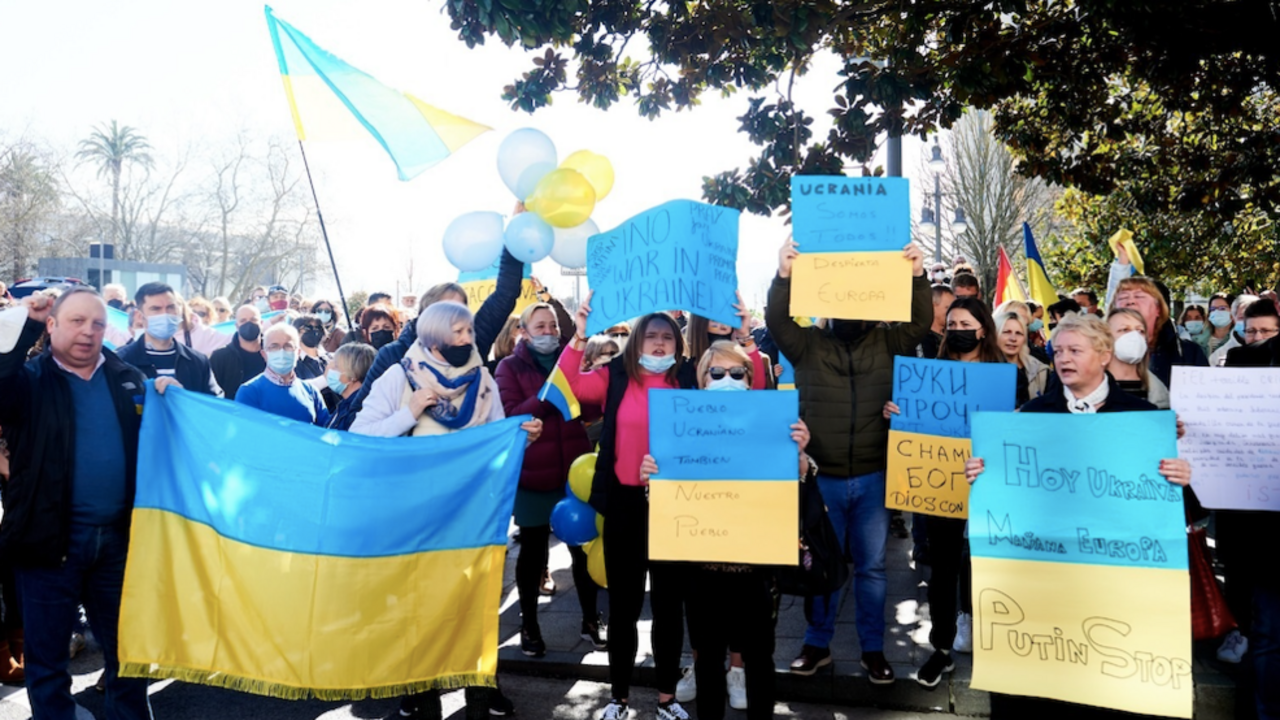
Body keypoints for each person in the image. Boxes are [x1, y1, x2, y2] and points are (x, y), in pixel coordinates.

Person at [961, 312, 1192, 717]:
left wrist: (1181, 480)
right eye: (1058, 351)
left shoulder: (1141, 419)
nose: (1063, 358)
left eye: (1075, 350)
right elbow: (1003, 495)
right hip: (1042, 587)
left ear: (1104, 355)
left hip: (1114, 590)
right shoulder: (1030, 417)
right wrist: (982, 474)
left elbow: (1172, 513)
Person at [351, 301, 539, 720]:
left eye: (469, 332)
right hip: (414, 521)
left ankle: (478, 696)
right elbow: (360, 439)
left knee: (473, 608)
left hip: (470, 519)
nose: (467, 340)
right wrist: (410, 411)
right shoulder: (398, 377)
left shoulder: (483, 380)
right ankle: (423, 700)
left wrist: (520, 438)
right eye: (458, 332)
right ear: (434, 335)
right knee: (420, 612)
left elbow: (496, 442)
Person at [766, 237, 930, 685]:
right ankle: (816, 645)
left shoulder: (889, 341)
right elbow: (777, 320)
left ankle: (872, 650)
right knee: (821, 565)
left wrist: (917, 276)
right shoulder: (808, 346)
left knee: (873, 568)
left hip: (875, 476)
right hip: (823, 479)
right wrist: (784, 275)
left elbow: (920, 321)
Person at [0, 288, 155, 720]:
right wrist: (25, 322)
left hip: (120, 544)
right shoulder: (28, 381)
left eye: (98, 324)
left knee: (130, 658)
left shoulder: (129, 381)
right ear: (51, 325)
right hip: (48, 544)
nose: (88, 332)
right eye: (75, 321)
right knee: (48, 664)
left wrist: (168, 395)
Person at [640, 340, 811, 720]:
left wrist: (799, 463)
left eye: (737, 373)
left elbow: (799, 504)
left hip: (756, 573)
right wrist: (653, 479)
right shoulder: (681, 431)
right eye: (717, 373)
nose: (727, 379)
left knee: (760, 659)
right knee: (707, 661)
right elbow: (670, 507)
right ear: (702, 380)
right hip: (703, 572)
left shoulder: (773, 426)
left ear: (750, 380)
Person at [557, 299, 709, 720]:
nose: (659, 344)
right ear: (637, 340)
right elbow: (570, 384)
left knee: (668, 607)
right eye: (651, 336)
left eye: (667, 337)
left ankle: (666, 699)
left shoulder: (687, 379)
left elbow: (737, 400)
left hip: (675, 505)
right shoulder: (616, 375)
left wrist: (747, 337)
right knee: (623, 607)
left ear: (677, 344)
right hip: (626, 504)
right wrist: (580, 333)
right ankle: (619, 699)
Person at [883, 297, 1002, 686]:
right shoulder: (930, 373)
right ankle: (943, 648)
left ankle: (1003, 642)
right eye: (951, 324)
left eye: (966, 323)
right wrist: (896, 414)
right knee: (943, 570)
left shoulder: (1002, 375)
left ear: (983, 328)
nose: (957, 331)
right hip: (941, 488)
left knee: (989, 567)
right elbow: (914, 425)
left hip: (990, 487)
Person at [493, 302, 604, 659]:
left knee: (581, 550)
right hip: (532, 475)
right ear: (523, 332)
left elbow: (590, 410)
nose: (549, 332)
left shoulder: (574, 361)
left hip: (573, 474)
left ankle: (591, 622)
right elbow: (512, 414)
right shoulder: (509, 368)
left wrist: (590, 379)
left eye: (553, 326)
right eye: (539, 326)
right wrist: (547, 396)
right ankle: (529, 626)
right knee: (533, 552)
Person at [351, 249, 524, 419]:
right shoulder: (393, 356)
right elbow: (358, 416)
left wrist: (513, 243)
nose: (455, 317)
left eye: (460, 310)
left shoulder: (473, 343)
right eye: (446, 311)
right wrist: (407, 415)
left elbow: (505, 294)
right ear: (426, 316)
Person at [116, 282, 222, 397]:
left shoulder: (198, 362)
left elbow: (214, 406)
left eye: (171, 307)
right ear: (141, 316)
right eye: (156, 309)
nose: (165, 314)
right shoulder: (120, 362)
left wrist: (183, 397)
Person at [1111, 276, 1208, 385]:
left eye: (1139, 296)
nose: (1130, 302)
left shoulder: (1189, 353)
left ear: (1158, 309)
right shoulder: (1100, 351)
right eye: (1123, 298)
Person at [234, 323, 330, 426]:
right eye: (274, 347)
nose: (281, 352)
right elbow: (246, 433)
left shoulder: (310, 391)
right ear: (264, 355)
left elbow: (325, 431)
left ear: (298, 353)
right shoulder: (249, 392)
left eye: (288, 346)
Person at [684, 303, 770, 390]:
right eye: (716, 373)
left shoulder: (742, 353)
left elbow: (757, 387)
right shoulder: (683, 366)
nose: (723, 324)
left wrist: (744, 334)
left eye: (737, 372)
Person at [1105, 308, 1170, 408]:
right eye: (1125, 329)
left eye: (1141, 331)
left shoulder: (1157, 389)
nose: (1134, 336)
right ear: (1105, 337)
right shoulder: (1089, 383)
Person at [209, 305, 267, 401]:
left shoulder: (274, 353)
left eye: (253, 319)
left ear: (261, 323)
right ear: (236, 326)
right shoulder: (220, 357)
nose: (248, 324)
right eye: (243, 321)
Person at [994, 310, 1049, 406]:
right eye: (1007, 332)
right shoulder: (982, 367)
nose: (1013, 338)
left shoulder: (1041, 371)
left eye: (1019, 333)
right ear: (995, 334)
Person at [324, 343, 375, 432]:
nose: (330, 370)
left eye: (336, 367)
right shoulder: (346, 404)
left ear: (354, 375)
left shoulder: (359, 410)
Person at [1210, 294, 1260, 366]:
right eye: (1242, 317)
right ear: (1233, 318)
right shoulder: (1218, 357)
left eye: (1252, 317)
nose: (1248, 322)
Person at [918, 284, 955, 360]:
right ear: (932, 307)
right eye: (948, 307)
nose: (953, 312)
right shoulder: (919, 339)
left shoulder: (954, 335)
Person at [1202, 292, 1236, 357]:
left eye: (1222, 308)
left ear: (1233, 311)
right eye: (1213, 309)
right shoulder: (1198, 340)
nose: (1216, 312)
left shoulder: (1238, 340)